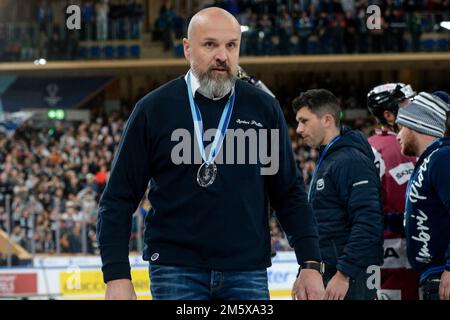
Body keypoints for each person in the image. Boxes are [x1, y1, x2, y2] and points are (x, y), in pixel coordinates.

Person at [98, 7, 325, 300]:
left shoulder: (263, 108)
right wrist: (116, 275)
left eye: (231, 45)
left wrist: (309, 262)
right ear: (187, 49)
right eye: (210, 45)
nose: (223, 55)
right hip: (175, 269)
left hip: (246, 270)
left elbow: (288, 193)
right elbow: (117, 198)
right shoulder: (154, 109)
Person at [293, 89, 384, 300]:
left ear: (327, 120)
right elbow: (323, 225)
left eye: (304, 121)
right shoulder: (330, 159)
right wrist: (308, 269)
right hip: (332, 274)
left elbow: (368, 220)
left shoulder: (350, 160)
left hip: (349, 279)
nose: (298, 129)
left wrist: (344, 274)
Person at [366, 83, 420, 300]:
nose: (415, 109)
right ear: (389, 115)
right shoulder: (382, 149)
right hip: (396, 257)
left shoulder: (417, 143)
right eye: (407, 105)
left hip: (408, 255)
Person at [396, 92, 450, 300]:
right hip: (432, 275)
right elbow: (425, 216)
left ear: (416, 125)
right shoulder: (430, 161)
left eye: (402, 127)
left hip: (441, 275)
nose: (398, 135)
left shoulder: (442, 158)